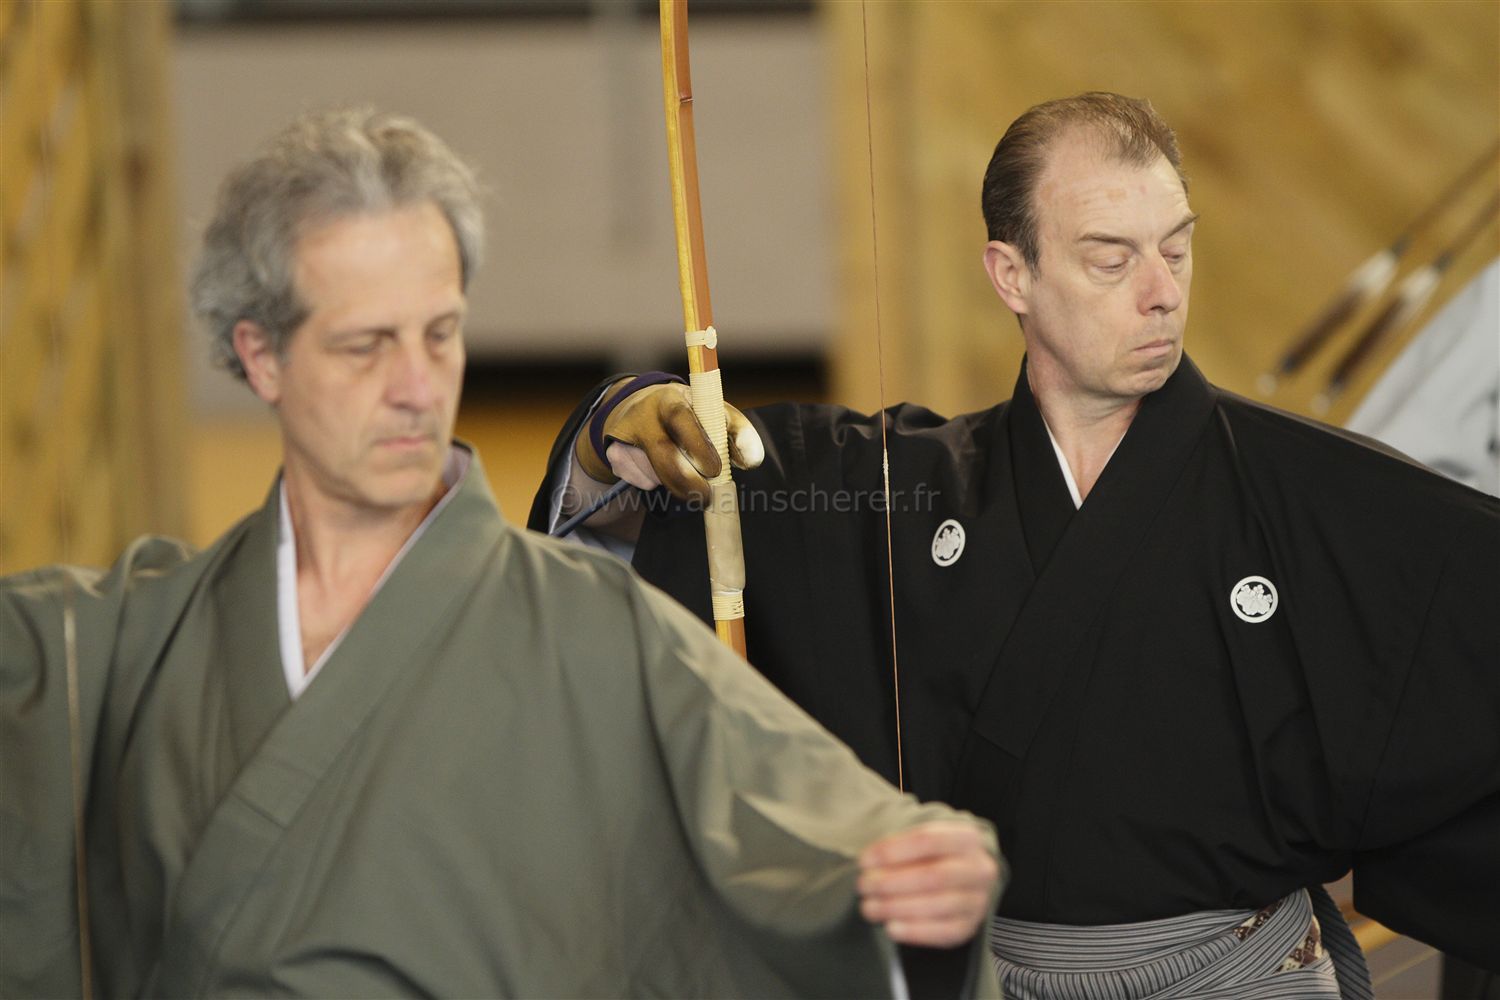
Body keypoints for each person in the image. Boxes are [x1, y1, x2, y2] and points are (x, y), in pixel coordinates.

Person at [0, 108, 1005, 999]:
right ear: (261, 354)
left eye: (440, 335)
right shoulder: (121, 647)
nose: (416, 387)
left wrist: (920, 871)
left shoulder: (593, 631)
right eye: (366, 345)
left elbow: (815, 822)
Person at [532, 93, 1500, 994]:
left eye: (1177, 250)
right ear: (1013, 275)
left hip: (1237, 977)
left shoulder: (1314, 493)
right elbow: (698, 487)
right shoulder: (902, 488)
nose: (1161, 292)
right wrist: (617, 422)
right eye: (1112, 260)